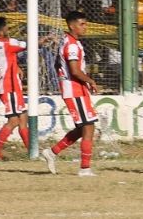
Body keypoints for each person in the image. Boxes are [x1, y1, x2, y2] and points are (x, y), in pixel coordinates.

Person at [42, 11, 99, 176]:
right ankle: (85, 168)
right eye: (82, 24)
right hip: (74, 90)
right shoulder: (72, 45)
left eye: (85, 23)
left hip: (76, 89)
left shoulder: (69, 41)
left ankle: (52, 153)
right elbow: (74, 70)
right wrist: (90, 80)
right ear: (72, 25)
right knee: (88, 127)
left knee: (83, 128)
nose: (85, 27)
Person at [0, 17, 30, 160]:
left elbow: (4, 60)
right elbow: (31, 44)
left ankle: (31, 151)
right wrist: (45, 39)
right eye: (7, 27)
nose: (8, 30)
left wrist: (16, 67)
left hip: (3, 85)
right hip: (11, 87)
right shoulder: (9, 43)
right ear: (2, 30)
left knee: (23, 117)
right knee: (14, 121)